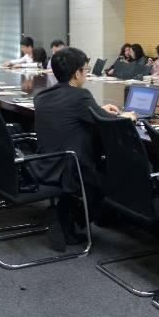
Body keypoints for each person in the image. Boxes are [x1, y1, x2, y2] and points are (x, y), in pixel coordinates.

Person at [33, 47, 134, 249]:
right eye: (85, 69)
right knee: (113, 184)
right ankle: (64, 218)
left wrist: (98, 109)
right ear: (77, 73)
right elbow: (110, 123)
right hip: (71, 170)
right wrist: (127, 116)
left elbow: (72, 113)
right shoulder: (80, 96)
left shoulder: (43, 95)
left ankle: (63, 215)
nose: (86, 73)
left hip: (44, 163)